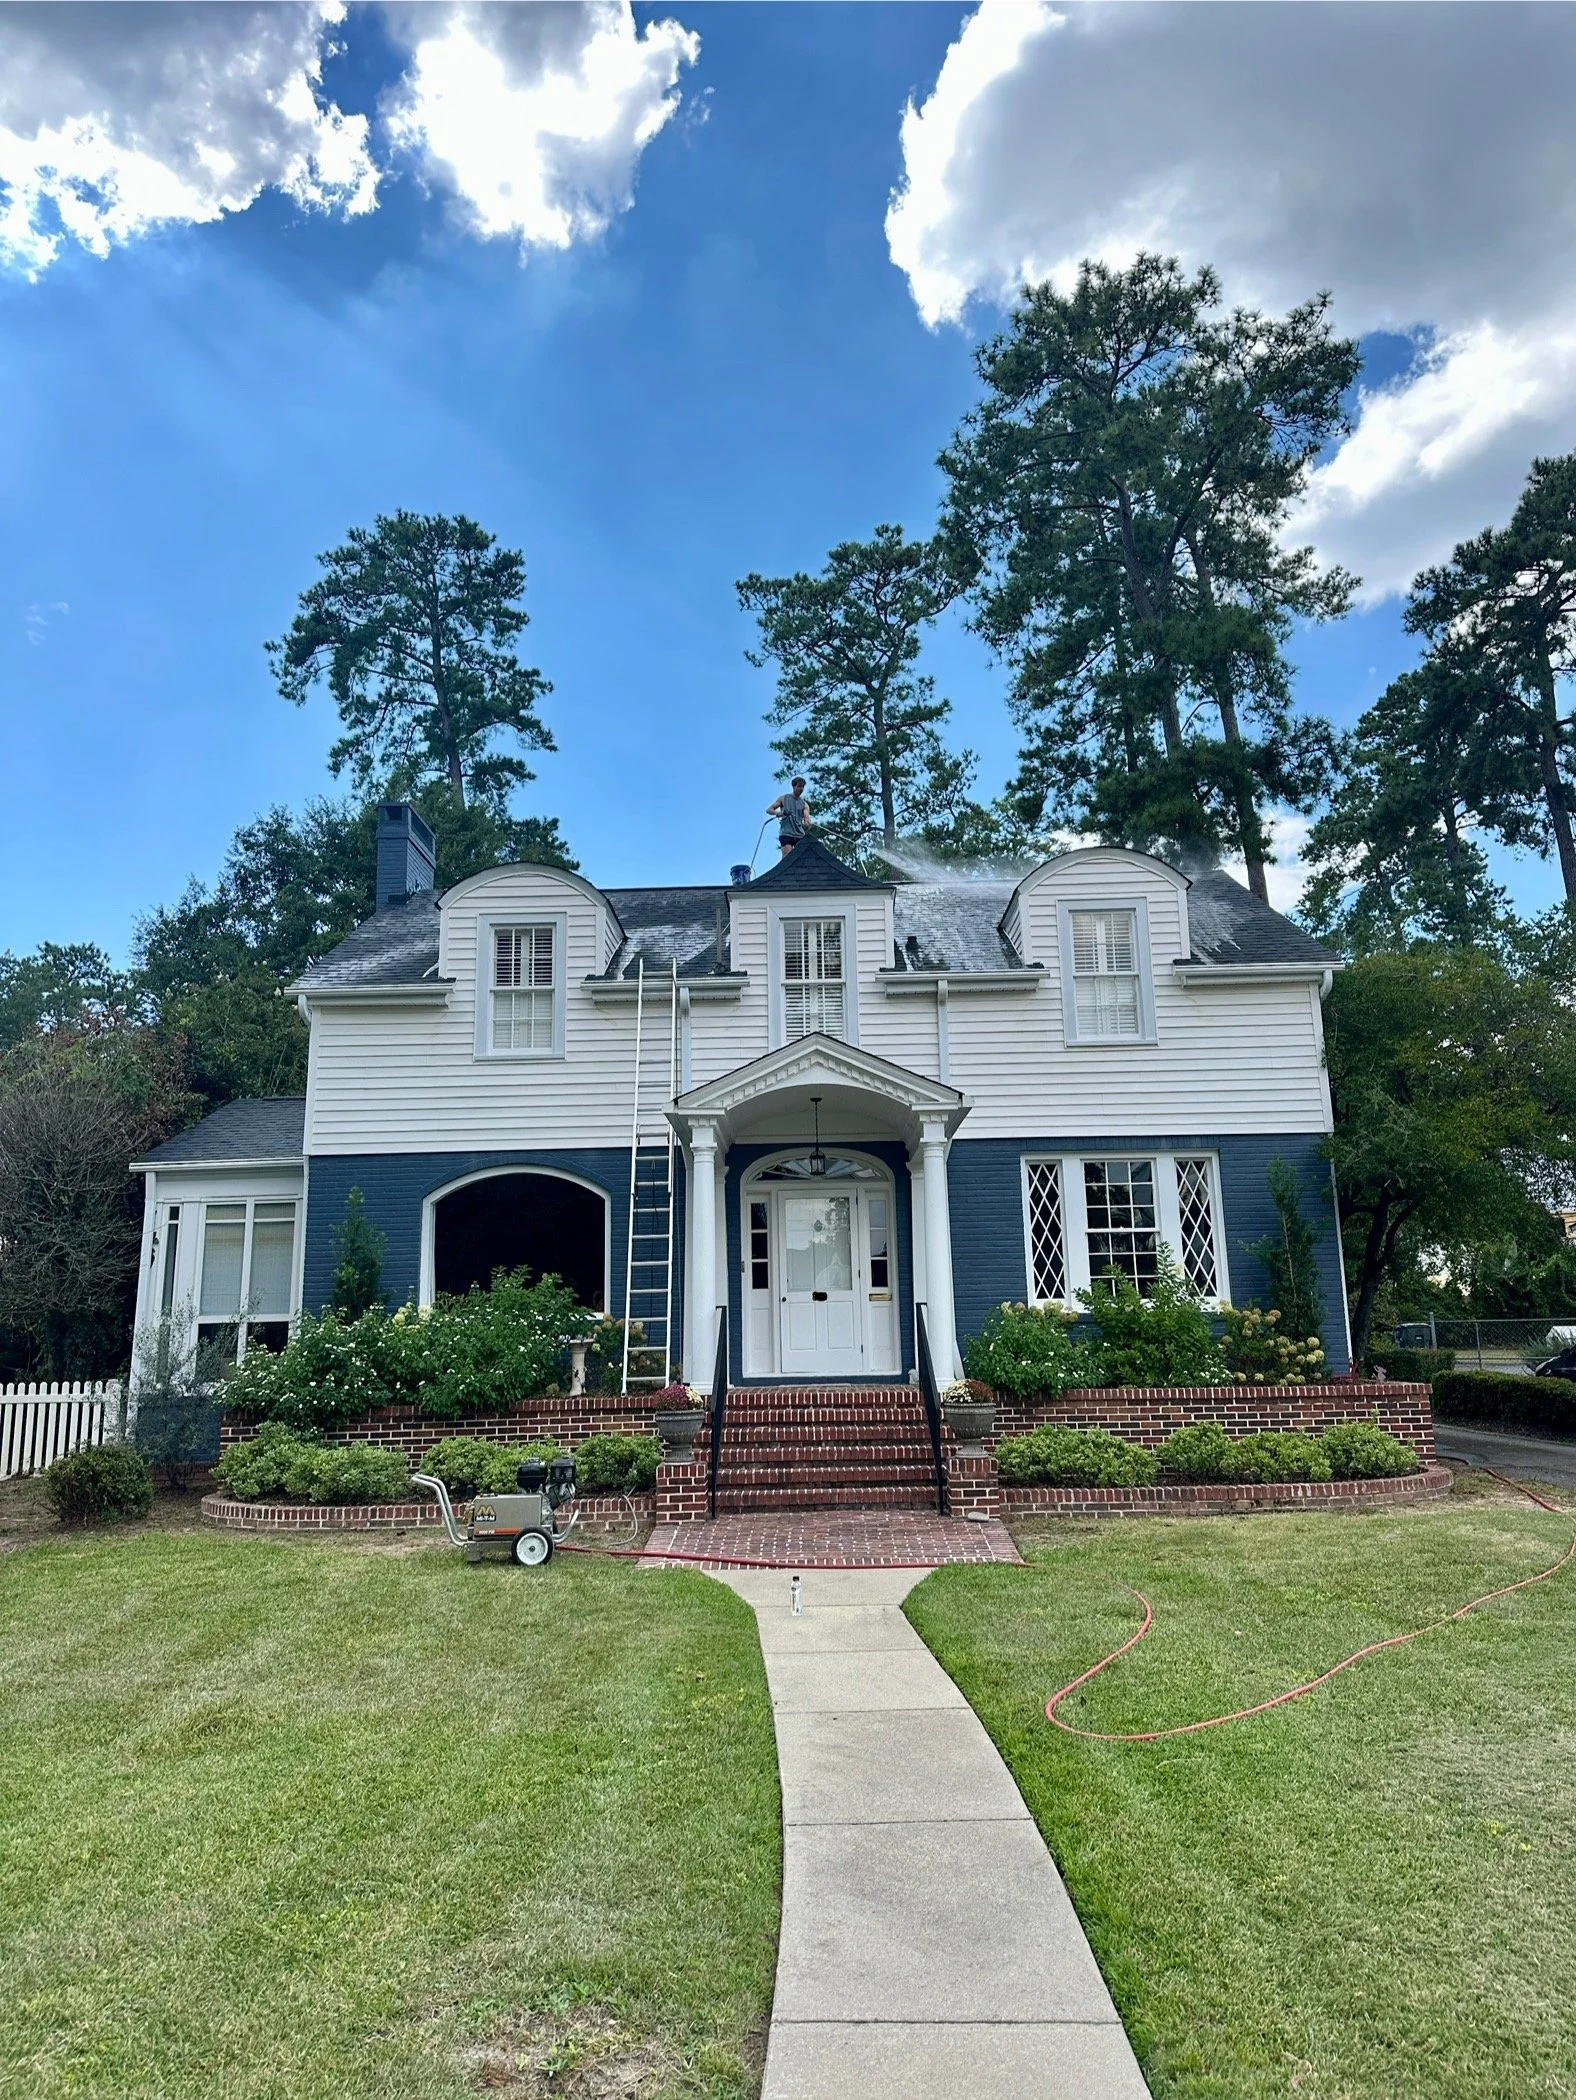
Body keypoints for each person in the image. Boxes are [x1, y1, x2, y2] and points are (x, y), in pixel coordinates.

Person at [768, 777, 812, 855]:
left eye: (803, 787)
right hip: (786, 833)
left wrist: (807, 822)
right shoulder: (783, 798)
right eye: (799, 786)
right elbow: (769, 810)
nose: (801, 789)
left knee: (802, 858)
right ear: (794, 787)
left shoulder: (804, 804)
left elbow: (806, 817)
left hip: (799, 834)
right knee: (787, 858)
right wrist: (778, 813)